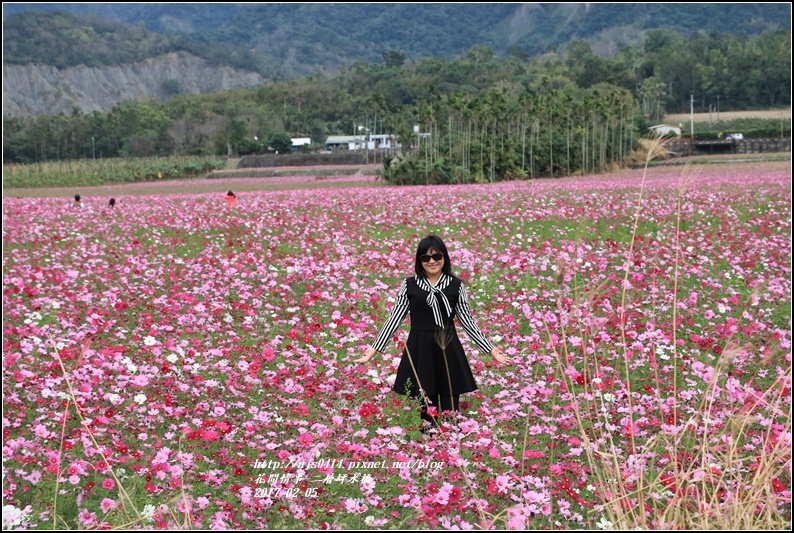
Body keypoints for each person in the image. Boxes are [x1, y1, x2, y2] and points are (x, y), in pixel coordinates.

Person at [355, 235, 513, 430]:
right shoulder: (409, 285)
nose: (432, 261)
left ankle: (453, 442)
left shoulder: (456, 286)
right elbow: (394, 318)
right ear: (419, 261)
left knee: (450, 406)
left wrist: (491, 350)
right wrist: (373, 350)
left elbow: (467, 321)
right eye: (425, 258)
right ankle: (428, 444)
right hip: (420, 349)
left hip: (448, 348)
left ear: (444, 258)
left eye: (436, 256)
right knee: (425, 404)